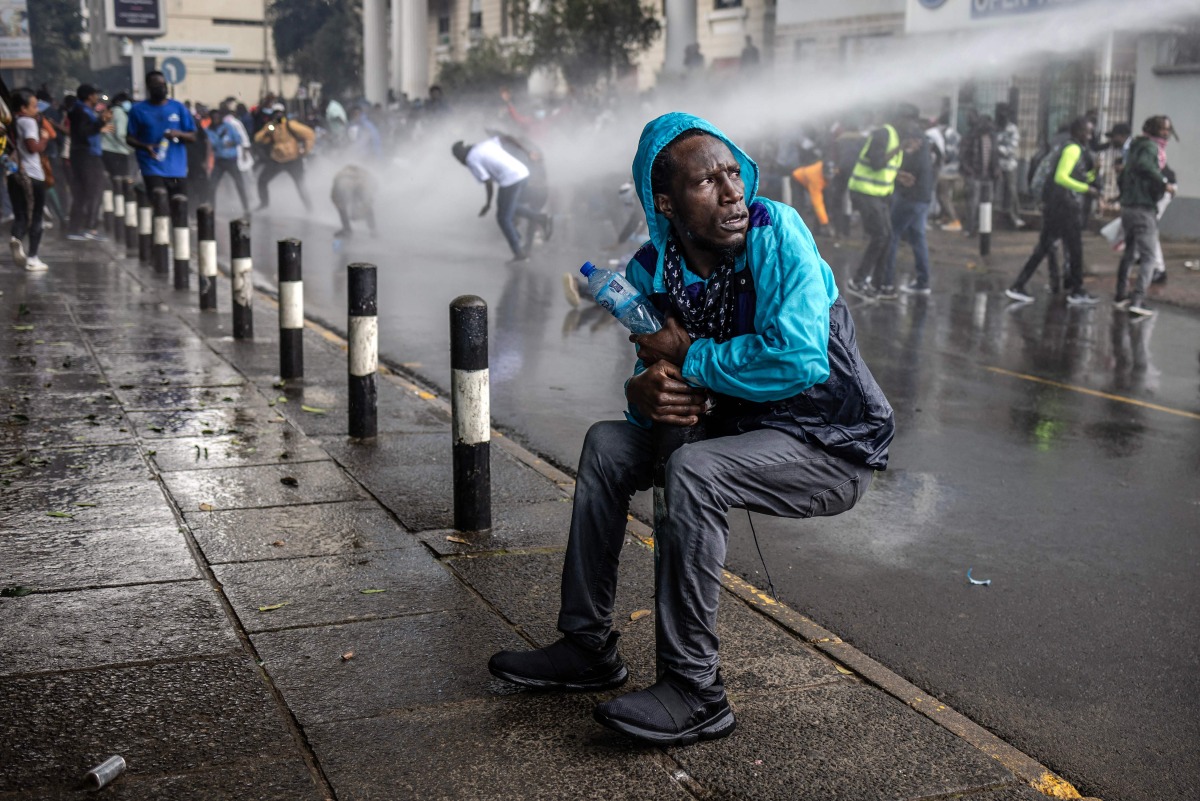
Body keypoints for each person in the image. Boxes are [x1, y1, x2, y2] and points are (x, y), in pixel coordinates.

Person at [487, 112, 895, 747]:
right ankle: (587, 646)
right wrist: (640, 390)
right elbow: (653, 389)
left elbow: (799, 357)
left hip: (826, 444)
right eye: (708, 182)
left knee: (694, 470)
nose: (733, 191)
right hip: (736, 431)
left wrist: (690, 360)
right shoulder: (653, 270)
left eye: (734, 172)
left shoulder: (775, 230)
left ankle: (696, 690)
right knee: (606, 446)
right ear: (666, 201)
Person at [1005, 116, 1100, 306]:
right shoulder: (1072, 149)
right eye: (1087, 132)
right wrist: (1086, 189)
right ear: (1077, 132)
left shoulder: (1070, 148)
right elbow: (1061, 177)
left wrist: (1093, 172)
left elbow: (1079, 175)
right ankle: (1077, 290)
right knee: (1075, 249)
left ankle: (1018, 285)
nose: (1089, 137)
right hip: (1066, 207)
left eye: (1091, 132)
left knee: (1044, 248)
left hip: (1055, 206)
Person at [1113, 115, 1176, 317]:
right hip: (1143, 208)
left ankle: (1121, 295)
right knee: (1149, 257)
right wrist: (1163, 183)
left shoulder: (1135, 146)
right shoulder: (1150, 148)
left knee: (1130, 253)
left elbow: (1124, 174)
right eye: (1162, 129)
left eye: (1167, 129)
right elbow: (1145, 166)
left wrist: (1125, 194)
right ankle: (1138, 300)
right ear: (1153, 129)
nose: (1165, 133)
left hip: (1129, 207)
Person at [452, 135, 551, 263]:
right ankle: (540, 218)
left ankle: (519, 252)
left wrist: (487, 204)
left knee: (503, 218)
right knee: (507, 207)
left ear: (460, 155)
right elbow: (507, 137)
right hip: (522, 172)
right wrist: (526, 151)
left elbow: (487, 182)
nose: (460, 162)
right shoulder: (484, 145)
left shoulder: (471, 159)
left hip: (510, 179)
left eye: (458, 159)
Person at [847, 108, 906, 298]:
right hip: (864, 192)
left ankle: (877, 285)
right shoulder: (884, 134)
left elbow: (885, 168)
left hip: (877, 195)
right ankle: (857, 282)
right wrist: (900, 147)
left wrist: (900, 176)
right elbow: (876, 163)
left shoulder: (894, 137)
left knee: (887, 237)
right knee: (880, 236)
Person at [126, 71, 197, 198]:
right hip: (151, 167)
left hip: (177, 170)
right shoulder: (138, 110)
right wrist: (145, 146)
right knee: (160, 203)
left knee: (179, 206)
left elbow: (193, 136)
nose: (162, 87)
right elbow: (130, 138)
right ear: (148, 87)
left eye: (163, 84)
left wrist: (179, 133)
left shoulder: (178, 107)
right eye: (157, 84)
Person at [883, 123, 934, 295]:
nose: (907, 146)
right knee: (918, 239)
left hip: (908, 201)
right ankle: (923, 281)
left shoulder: (914, 157)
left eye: (909, 142)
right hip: (922, 201)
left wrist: (897, 175)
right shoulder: (925, 155)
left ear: (916, 141)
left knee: (892, 236)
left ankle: (886, 280)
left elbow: (905, 177)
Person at [7, 88, 50, 271]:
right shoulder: (28, 122)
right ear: (23, 108)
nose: (37, 109)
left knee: (21, 214)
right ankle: (33, 257)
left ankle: (16, 238)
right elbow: (33, 147)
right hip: (33, 175)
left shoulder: (11, 123)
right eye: (33, 106)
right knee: (36, 217)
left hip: (14, 174)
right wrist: (45, 139)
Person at [66, 84, 112, 241]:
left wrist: (100, 125)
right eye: (94, 95)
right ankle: (87, 228)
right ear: (88, 96)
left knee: (83, 192)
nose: (96, 97)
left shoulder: (80, 110)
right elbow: (84, 132)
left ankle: (78, 227)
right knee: (92, 191)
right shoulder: (81, 111)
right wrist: (100, 123)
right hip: (87, 155)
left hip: (84, 154)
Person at [253, 103, 315, 213]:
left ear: (284, 113)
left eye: (280, 113)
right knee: (262, 181)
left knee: (300, 184)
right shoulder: (271, 126)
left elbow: (309, 134)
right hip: (277, 160)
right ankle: (264, 204)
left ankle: (310, 209)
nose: (278, 115)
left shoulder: (291, 125)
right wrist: (267, 132)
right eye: (275, 113)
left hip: (293, 159)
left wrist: (305, 151)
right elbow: (258, 139)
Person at [959, 112, 999, 238]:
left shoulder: (992, 137)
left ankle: (984, 229)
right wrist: (968, 170)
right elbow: (963, 156)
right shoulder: (970, 137)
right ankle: (970, 229)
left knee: (987, 203)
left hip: (988, 176)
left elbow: (995, 155)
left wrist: (996, 168)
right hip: (974, 175)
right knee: (973, 204)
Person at [207, 108, 253, 214]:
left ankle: (246, 208)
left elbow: (238, 139)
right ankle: (212, 208)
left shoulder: (229, 127)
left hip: (231, 160)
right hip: (219, 161)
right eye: (213, 118)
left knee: (239, 183)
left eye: (217, 117)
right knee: (212, 185)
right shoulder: (209, 130)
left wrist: (231, 144)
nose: (215, 119)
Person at [790, 130, 829, 236]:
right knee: (799, 203)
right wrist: (825, 223)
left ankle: (817, 229)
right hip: (797, 178)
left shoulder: (824, 166)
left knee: (822, 202)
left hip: (806, 176)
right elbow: (817, 202)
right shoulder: (816, 178)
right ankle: (795, 227)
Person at [994, 104, 1024, 230]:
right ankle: (998, 217)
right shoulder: (995, 128)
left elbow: (1011, 149)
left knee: (1011, 190)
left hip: (1009, 165)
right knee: (996, 191)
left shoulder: (1012, 129)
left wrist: (997, 149)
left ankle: (1015, 216)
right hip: (996, 164)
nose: (1001, 116)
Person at [331, 164, 377, 238]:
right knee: (341, 206)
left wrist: (358, 213)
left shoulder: (364, 181)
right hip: (353, 182)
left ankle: (373, 229)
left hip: (361, 184)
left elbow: (369, 200)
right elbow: (335, 199)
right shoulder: (338, 182)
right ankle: (347, 229)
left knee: (365, 204)